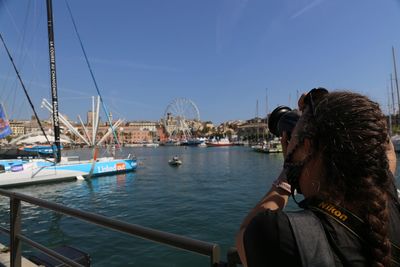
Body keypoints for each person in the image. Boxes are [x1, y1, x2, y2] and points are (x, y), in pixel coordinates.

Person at [236, 89, 400, 267]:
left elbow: (243, 238)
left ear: (306, 147)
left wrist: (289, 169)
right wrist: (334, 111)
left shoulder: (283, 236)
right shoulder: (387, 200)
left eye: (292, 139)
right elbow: (385, 149)